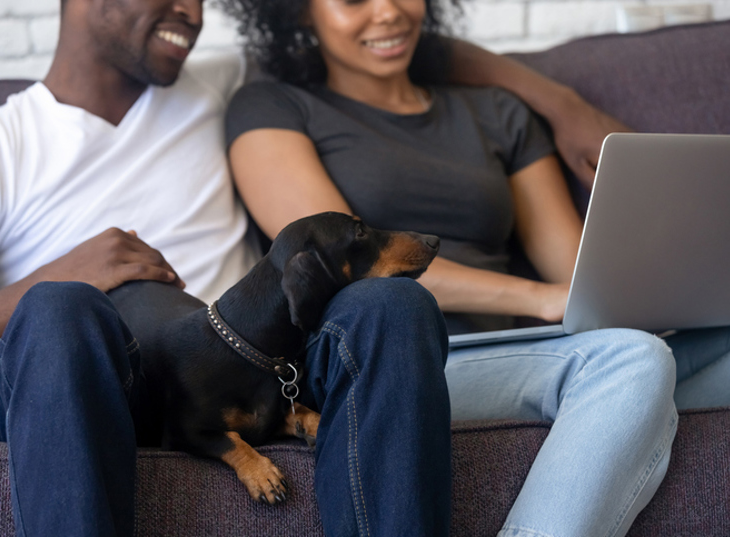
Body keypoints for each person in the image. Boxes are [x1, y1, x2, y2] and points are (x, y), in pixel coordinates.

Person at [0, 1, 658, 537]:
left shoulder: (217, 86)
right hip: (79, 372)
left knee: (390, 303)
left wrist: (562, 103)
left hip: (236, 367)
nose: (193, 10)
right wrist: (60, 275)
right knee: (61, 307)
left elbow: (404, 37)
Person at [220, 0, 730, 535]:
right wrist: (541, 297)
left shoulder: (495, 112)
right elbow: (341, 265)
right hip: (390, 360)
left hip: (516, 355)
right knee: (632, 362)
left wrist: (663, 281)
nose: (388, 12)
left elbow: (577, 268)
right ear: (300, 13)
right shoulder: (271, 107)